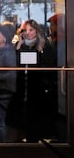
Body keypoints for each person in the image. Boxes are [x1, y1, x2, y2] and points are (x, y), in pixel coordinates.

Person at [7, 19, 57, 142]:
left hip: (37, 87)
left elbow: (49, 66)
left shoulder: (44, 46)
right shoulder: (19, 45)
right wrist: (18, 47)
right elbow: (12, 64)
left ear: (36, 31)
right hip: (20, 87)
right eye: (25, 30)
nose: (28, 33)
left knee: (35, 119)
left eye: (31, 30)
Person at [0, 23, 17, 142]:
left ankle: (2, 147)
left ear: (4, 38)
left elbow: (11, 73)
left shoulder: (8, 52)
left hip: (4, 90)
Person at [47, 13, 67, 141]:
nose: (50, 27)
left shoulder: (60, 42)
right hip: (57, 84)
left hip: (59, 84)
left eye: (52, 24)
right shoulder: (56, 41)